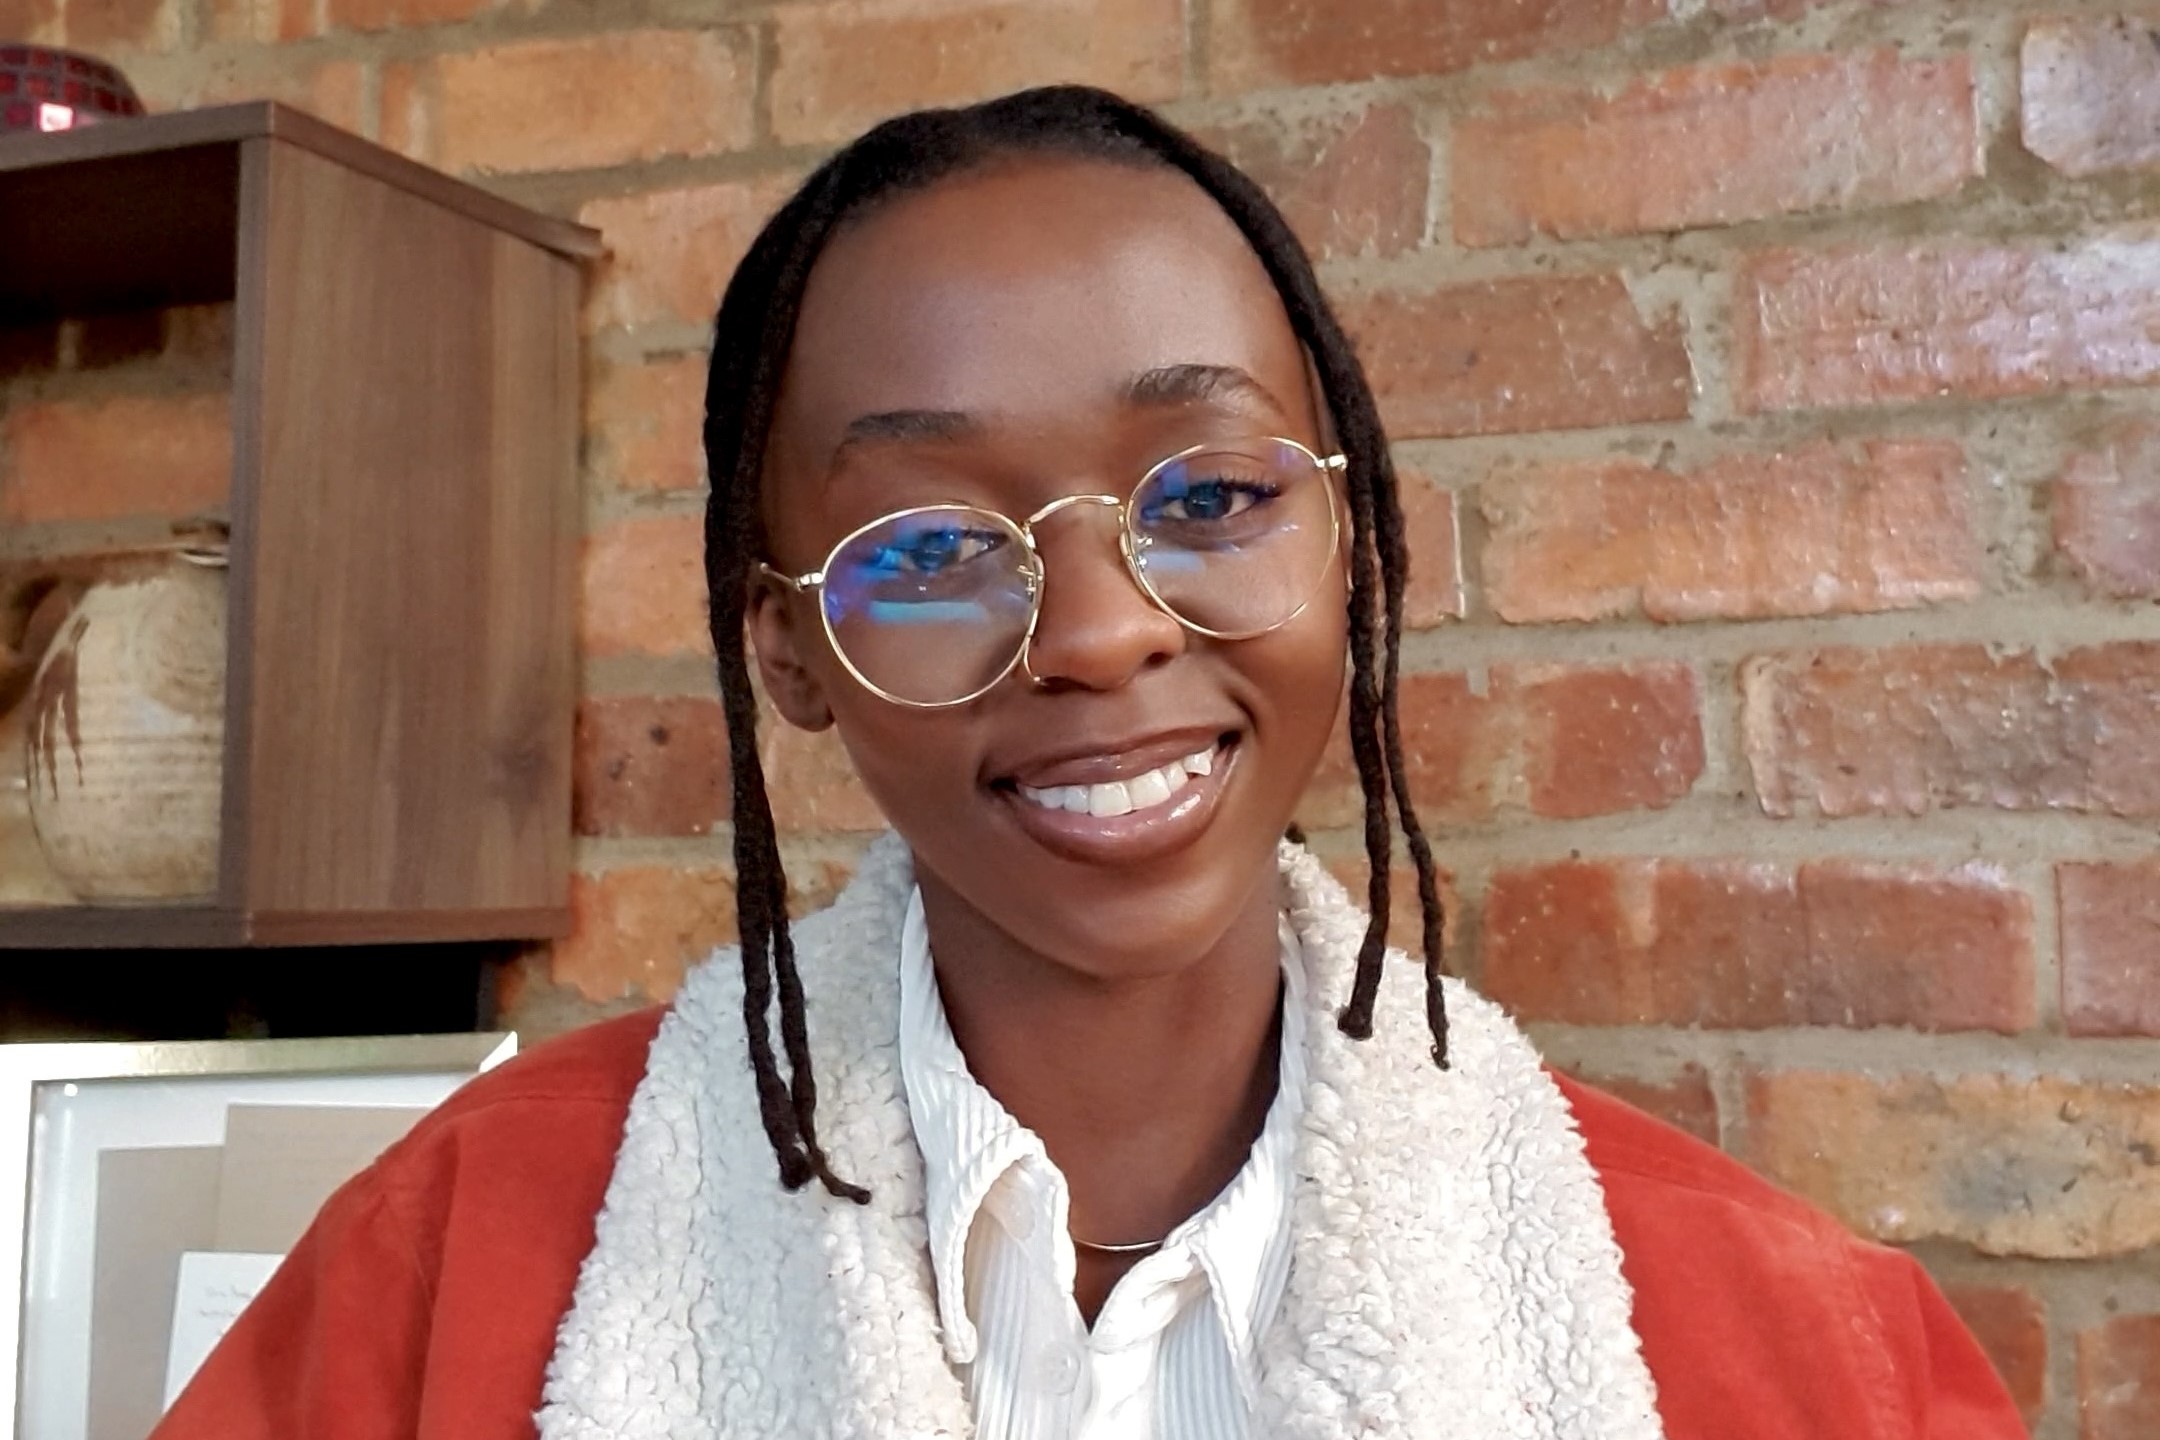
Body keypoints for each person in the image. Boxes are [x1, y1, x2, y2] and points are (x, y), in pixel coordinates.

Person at [153, 86, 2027, 1440]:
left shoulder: (1809, 1360)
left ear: (1356, 544)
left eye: (1209, 498)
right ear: (784, 649)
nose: (1102, 632)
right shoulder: (452, 1273)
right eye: (926, 547)